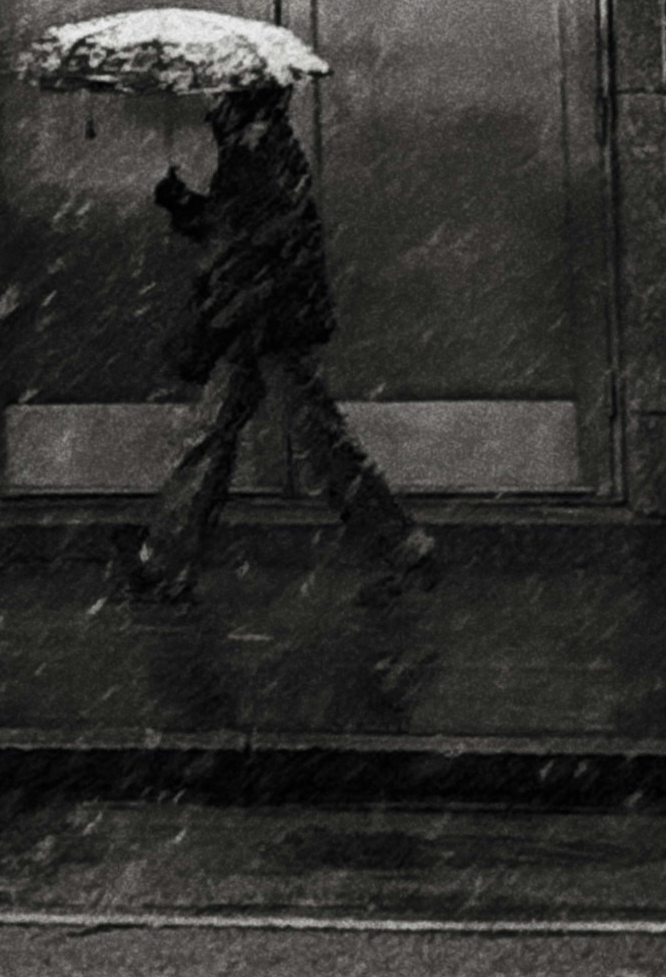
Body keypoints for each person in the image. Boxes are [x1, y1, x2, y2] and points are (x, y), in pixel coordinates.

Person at [117, 73, 439, 604]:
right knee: (237, 437)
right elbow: (242, 227)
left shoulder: (258, 151)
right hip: (259, 320)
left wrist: (222, 267)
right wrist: (188, 207)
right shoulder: (256, 149)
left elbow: (258, 236)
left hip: (265, 322)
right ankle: (166, 562)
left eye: (219, 95)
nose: (210, 106)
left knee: (300, 440)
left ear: (241, 99)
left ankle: (402, 550)